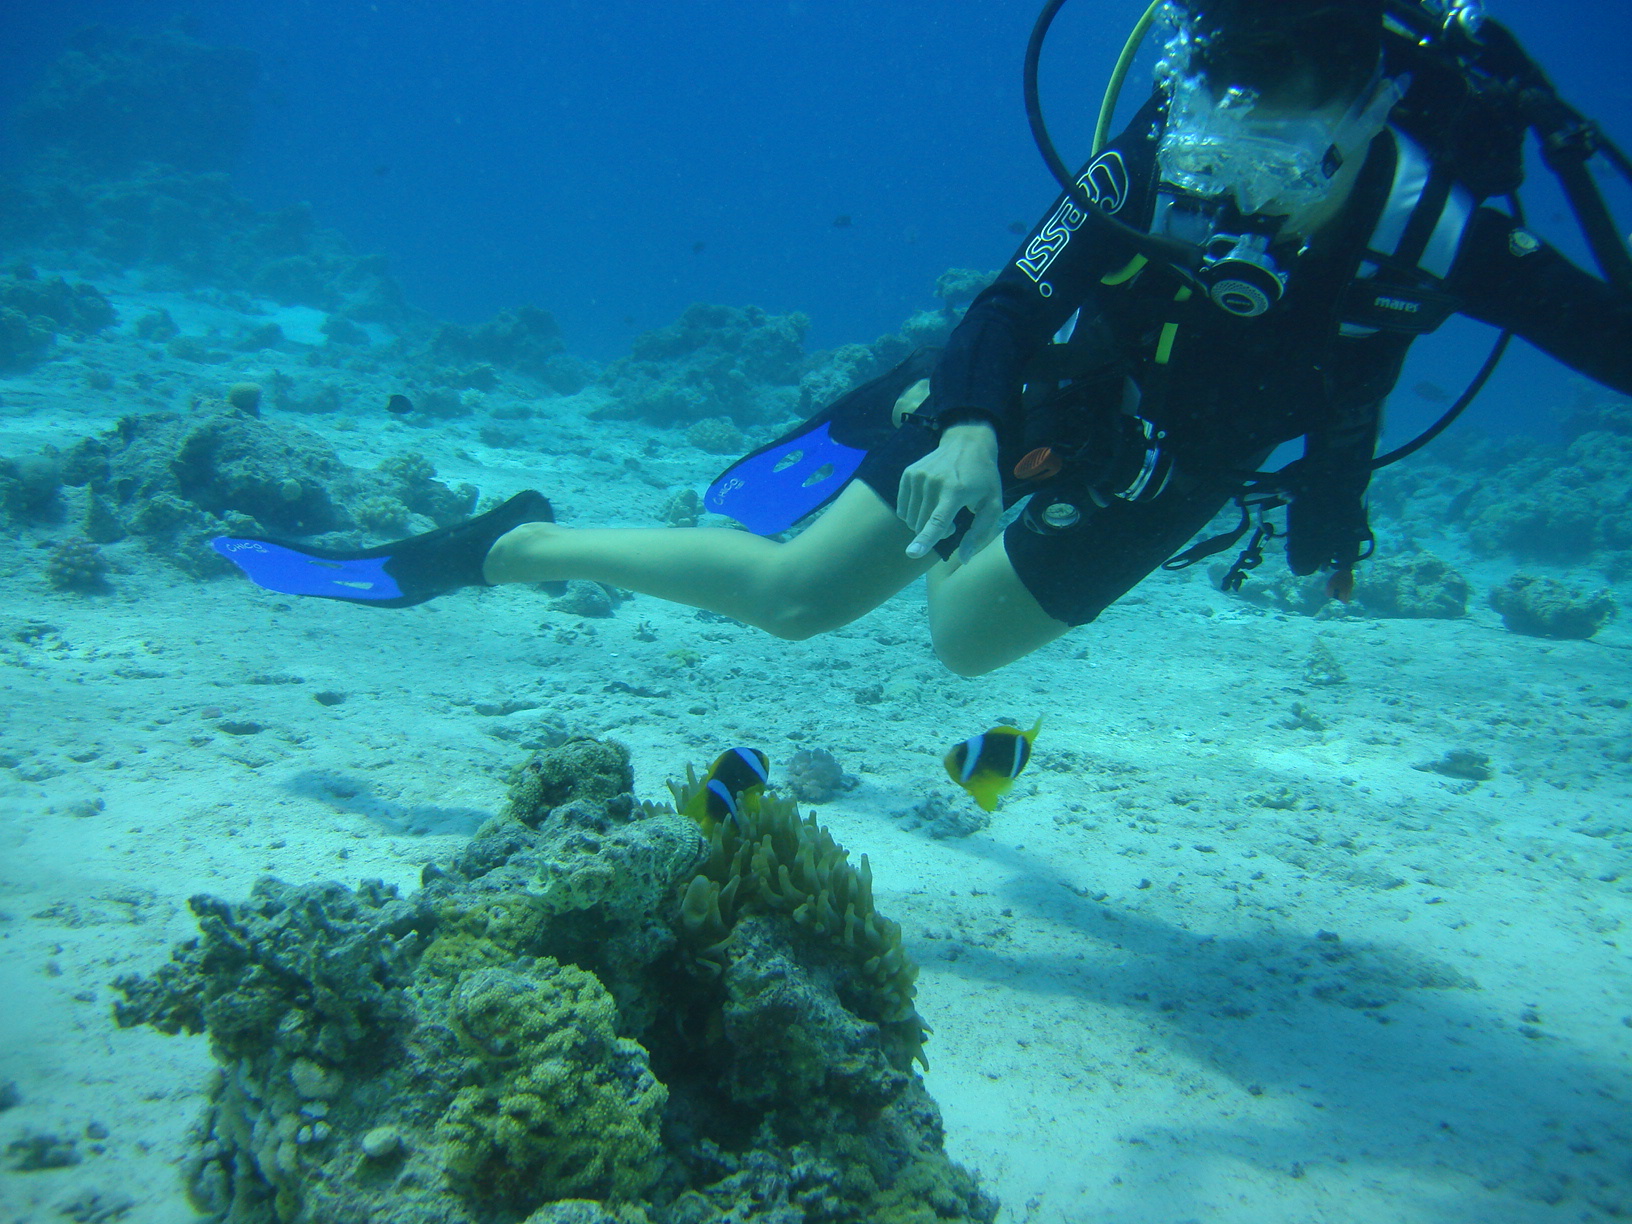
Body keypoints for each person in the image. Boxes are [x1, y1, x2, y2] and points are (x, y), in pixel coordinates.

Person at [219, 0, 1632, 676]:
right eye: (1212, 117)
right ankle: (506, 544)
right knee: (798, 599)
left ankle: (939, 464)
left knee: (961, 642)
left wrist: (1328, 506)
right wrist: (969, 425)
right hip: (1050, 384)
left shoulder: (1444, 230)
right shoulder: (1165, 150)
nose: (1229, 175)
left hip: (1186, 462)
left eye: (1273, 138)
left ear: (1367, 103)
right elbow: (1010, 298)